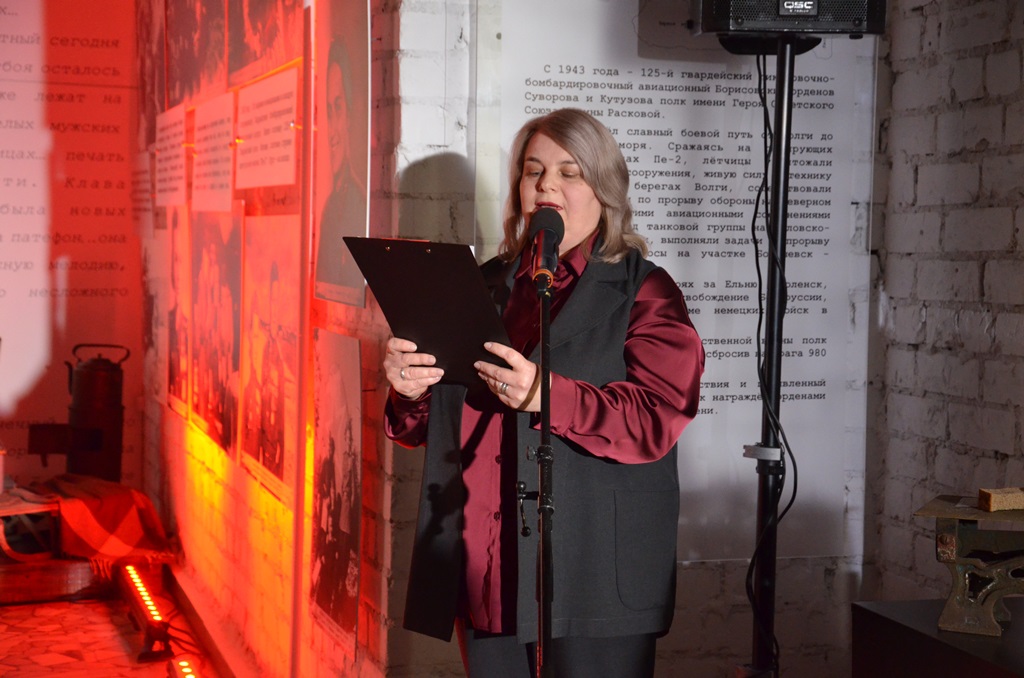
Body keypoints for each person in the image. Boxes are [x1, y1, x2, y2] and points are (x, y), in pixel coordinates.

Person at [383, 108, 705, 678]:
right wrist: (410, 390)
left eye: (569, 172)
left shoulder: (645, 290)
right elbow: (428, 426)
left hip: (594, 579)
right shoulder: (485, 285)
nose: (547, 186)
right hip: (489, 572)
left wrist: (545, 394)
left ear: (604, 189)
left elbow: (658, 416)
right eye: (534, 171)